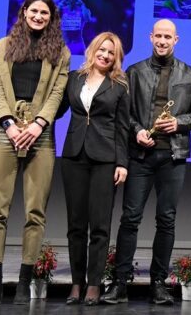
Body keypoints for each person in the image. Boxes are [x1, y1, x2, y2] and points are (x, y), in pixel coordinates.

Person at [101, 19, 191, 305]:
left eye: (167, 37)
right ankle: (120, 283)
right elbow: (124, 112)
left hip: (173, 156)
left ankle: (158, 283)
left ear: (176, 40)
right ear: (150, 37)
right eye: (158, 35)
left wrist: (179, 122)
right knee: (130, 219)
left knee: (166, 220)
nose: (162, 41)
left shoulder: (190, 74)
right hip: (140, 156)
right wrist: (137, 131)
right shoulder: (135, 72)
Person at [0, 0, 70, 305]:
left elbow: (57, 93)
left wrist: (37, 125)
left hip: (41, 133)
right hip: (4, 130)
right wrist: (8, 123)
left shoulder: (61, 52)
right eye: (34, 11)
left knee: (36, 211)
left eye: (44, 13)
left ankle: (24, 281)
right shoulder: (2, 46)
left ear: (51, 18)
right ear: (24, 12)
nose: (38, 16)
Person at [59, 32, 130, 306]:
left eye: (111, 52)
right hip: (74, 156)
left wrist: (122, 162)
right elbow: (57, 109)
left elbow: (122, 127)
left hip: (105, 159)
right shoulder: (74, 79)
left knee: (100, 226)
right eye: (102, 49)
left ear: (116, 57)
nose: (105, 55)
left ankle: (94, 284)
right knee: (75, 225)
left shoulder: (119, 85)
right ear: (92, 50)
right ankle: (76, 283)